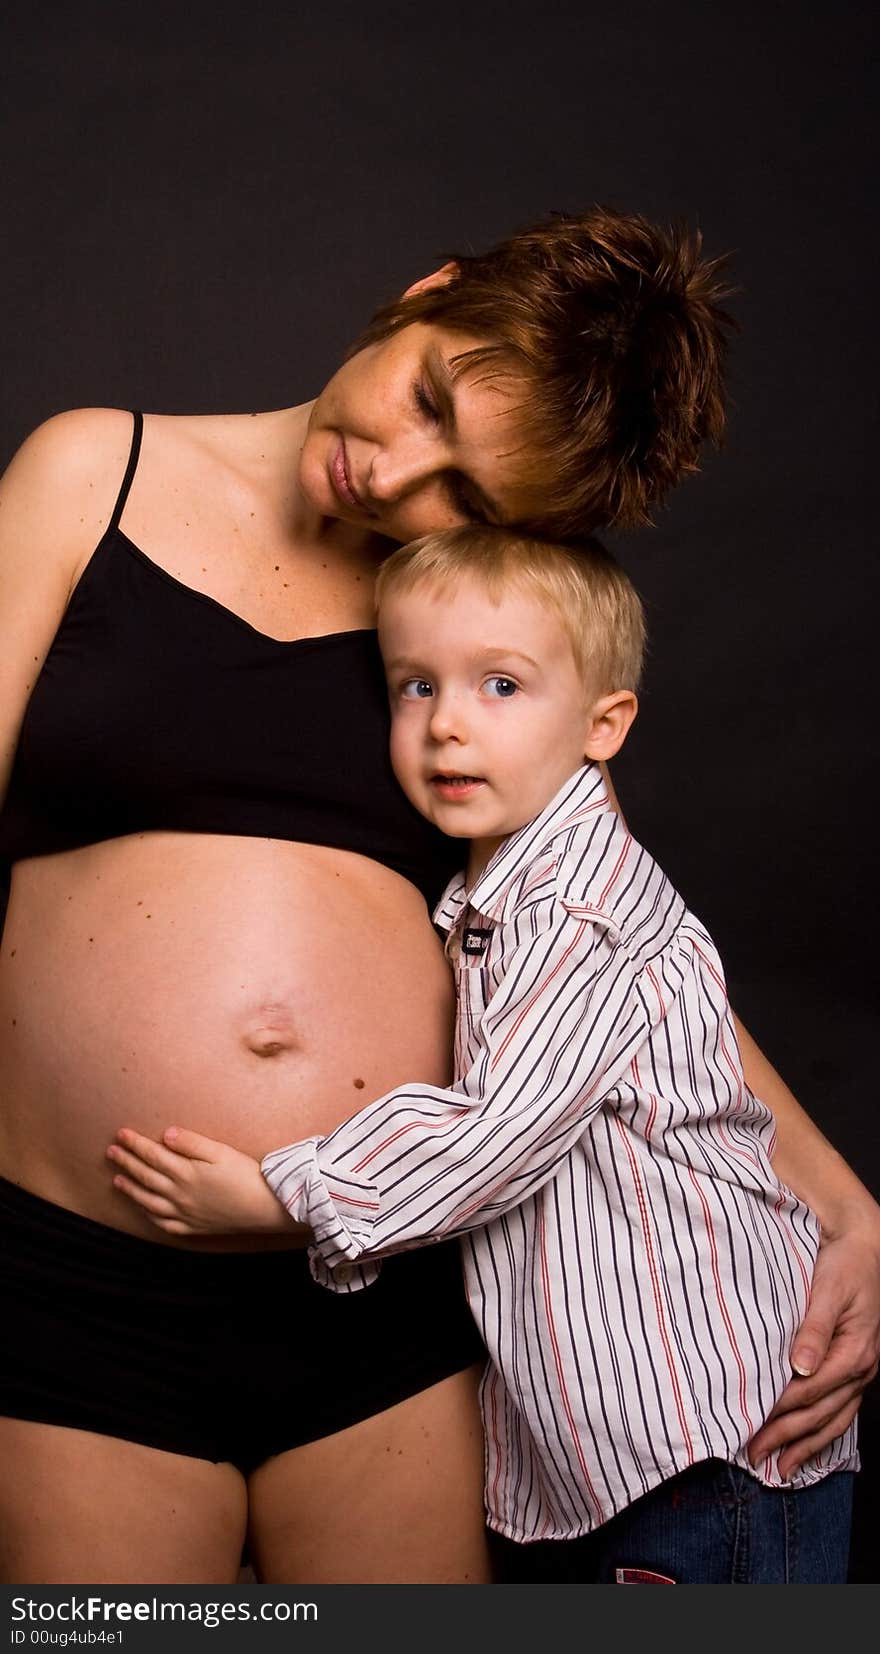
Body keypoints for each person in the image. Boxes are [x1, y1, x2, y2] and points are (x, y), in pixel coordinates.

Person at [0, 207, 877, 1585]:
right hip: (83, 1278)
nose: (393, 474)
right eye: (424, 399)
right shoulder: (89, 470)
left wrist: (841, 1200)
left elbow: (610, 943)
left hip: (385, 1301)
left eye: (466, 496)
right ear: (429, 294)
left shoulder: (483, 624)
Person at [109, 528, 858, 1583]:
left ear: (604, 724)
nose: (448, 723)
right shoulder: (496, 898)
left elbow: (499, 1133)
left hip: (708, 1445)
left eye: (500, 685)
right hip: (619, 1447)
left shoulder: (576, 912)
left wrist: (283, 1194)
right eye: (416, 687)